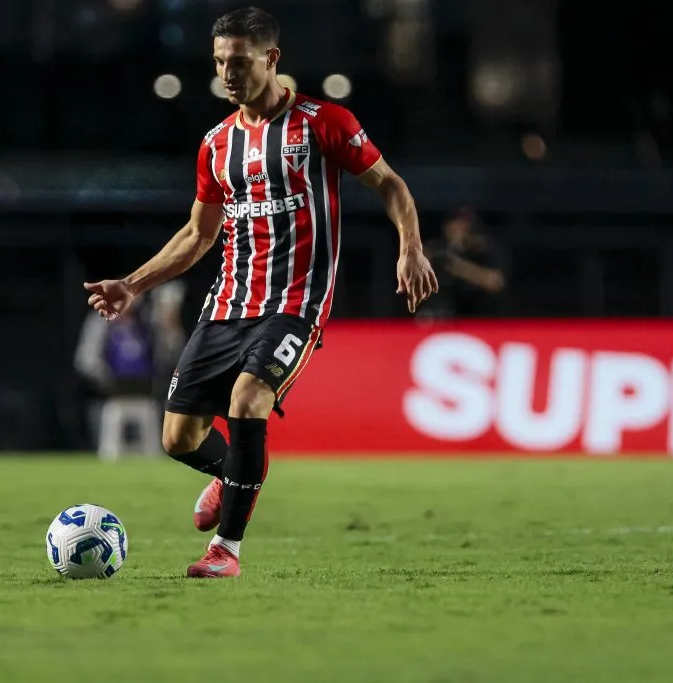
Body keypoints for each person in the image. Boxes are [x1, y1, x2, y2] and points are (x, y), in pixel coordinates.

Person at [84, 6, 438, 578]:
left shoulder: (325, 123)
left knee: (247, 402)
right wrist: (132, 284)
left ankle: (227, 550)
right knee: (177, 438)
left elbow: (391, 184)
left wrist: (411, 246)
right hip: (228, 305)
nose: (228, 73)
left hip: (296, 305)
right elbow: (199, 235)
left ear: (271, 60)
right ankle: (234, 476)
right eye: (220, 61)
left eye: (240, 61)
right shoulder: (216, 144)